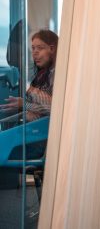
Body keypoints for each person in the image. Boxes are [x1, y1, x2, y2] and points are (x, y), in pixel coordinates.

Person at [0, 29, 58, 159]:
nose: (35, 52)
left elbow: (54, 108)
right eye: (33, 48)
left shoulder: (57, 75)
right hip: (33, 136)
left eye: (40, 48)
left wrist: (25, 104)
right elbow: (38, 112)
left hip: (39, 143)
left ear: (52, 49)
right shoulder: (43, 75)